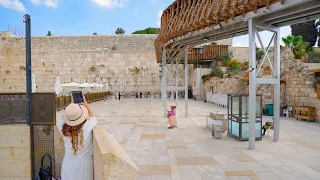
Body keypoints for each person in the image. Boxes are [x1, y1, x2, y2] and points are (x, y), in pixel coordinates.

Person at [57, 97, 97, 180]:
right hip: (84, 164)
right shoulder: (86, 127)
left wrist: (71, 108)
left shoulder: (62, 127)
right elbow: (93, 118)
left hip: (68, 163)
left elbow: (63, 118)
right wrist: (86, 105)